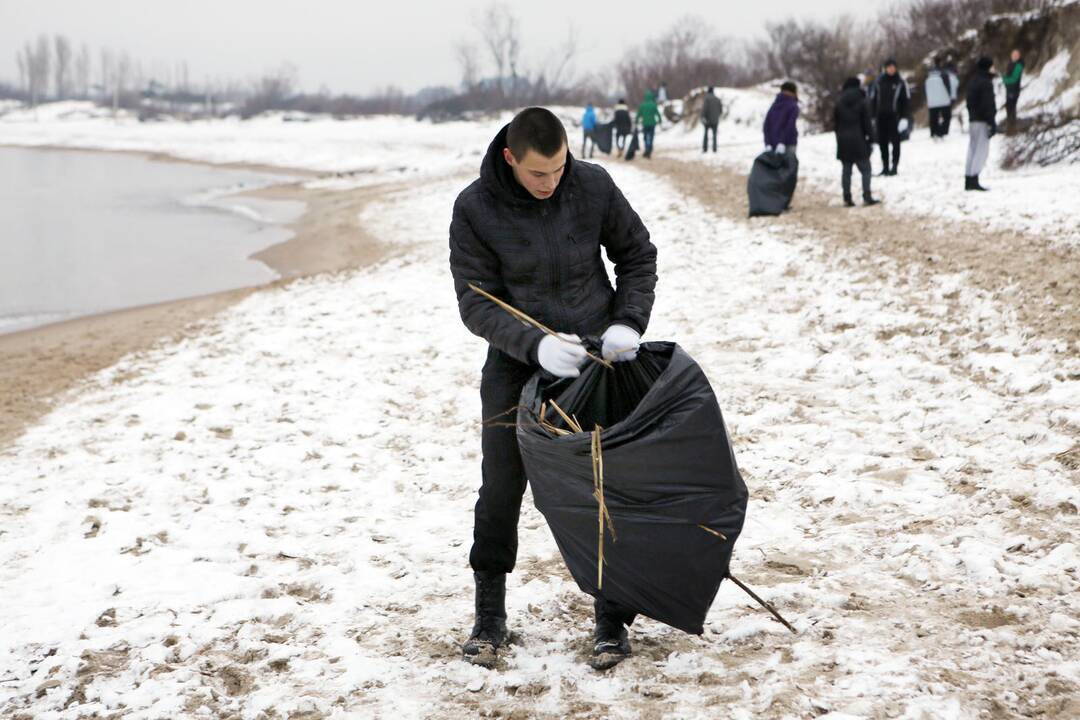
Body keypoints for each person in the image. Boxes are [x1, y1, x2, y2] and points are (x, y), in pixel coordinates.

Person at [448, 107, 658, 671]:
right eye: (539, 174)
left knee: (602, 487)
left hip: (596, 358)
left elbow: (637, 255)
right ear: (512, 158)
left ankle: (611, 619)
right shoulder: (474, 208)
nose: (551, 183)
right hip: (518, 366)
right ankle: (489, 617)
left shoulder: (591, 185)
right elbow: (475, 301)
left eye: (560, 169)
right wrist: (533, 345)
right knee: (501, 488)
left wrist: (626, 323)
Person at [834, 77, 880, 207]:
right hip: (858, 139)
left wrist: (839, 138)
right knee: (866, 169)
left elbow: (836, 124)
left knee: (846, 170)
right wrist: (871, 139)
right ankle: (867, 196)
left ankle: (847, 197)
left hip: (843, 140)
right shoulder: (862, 101)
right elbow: (867, 123)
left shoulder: (839, 102)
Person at [869, 59, 911, 176]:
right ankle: (885, 166)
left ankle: (895, 166)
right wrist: (872, 116)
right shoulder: (879, 82)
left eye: (893, 67)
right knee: (882, 143)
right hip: (881, 117)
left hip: (895, 117)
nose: (891, 69)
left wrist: (904, 117)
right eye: (889, 67)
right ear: (885, 68)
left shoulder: (900, 82)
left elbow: (905, 101)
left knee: (895, 142)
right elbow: (873, 100)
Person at [763, 80, 800, 208]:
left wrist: (768, 143)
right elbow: (789, 126)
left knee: (776, 173)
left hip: (773, 145)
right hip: (788, 144)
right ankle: (783, 202)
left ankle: (773, 200)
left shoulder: (774, 105)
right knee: (789, 173)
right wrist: (782, 142)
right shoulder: (793, 106)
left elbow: (766, 125)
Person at [965, 56, 997, 191]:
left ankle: (969, 178)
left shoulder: (973, 80)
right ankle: (974, 179)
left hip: (973, 120)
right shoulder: (985, 82)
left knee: (972, 149)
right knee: (981, 150)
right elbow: (987, 104)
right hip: (981, 121)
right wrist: (991, 122)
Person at [924, 58, 953, 140]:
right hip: (944, 100)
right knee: (946, 117)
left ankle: (933, 132)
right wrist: (950, 97)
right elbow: (948, 87)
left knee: (933, 118)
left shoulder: (928, 75)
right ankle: (942, 132)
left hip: (932, 101)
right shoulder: (944, 74)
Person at [636, 90, 663, 158]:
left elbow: (639, 114)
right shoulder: (653, 105)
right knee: (651, 136)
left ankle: (647, 149)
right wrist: (660, 120)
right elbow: (657, 113)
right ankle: (649, 149)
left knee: (645, 137)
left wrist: (636, 121)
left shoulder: (642, 105)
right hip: (652, 124)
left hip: (645, 124)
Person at [1003, 48, 1024, 133]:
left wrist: (1005, 79)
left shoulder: (1018, 65)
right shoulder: (1011, 64)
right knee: (1009, 107)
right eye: (1013, 55)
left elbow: (1014, 78)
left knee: (1011, 107)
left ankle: (1012, 128)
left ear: (1019, 56)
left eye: (1016, 55)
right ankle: (1010, 127)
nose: (1014, 56)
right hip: (1009, 89)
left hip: (1014, 89)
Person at [701, 86, 723, 153]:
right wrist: (716, 116)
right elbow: (720, 110)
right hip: (715, 120)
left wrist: (703, 117)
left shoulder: (706, 99)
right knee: (714, 135)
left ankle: (705, 149)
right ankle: (714, 148)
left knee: (706, 135)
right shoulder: (717, 99)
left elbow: (705, 109)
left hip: (708, 120)